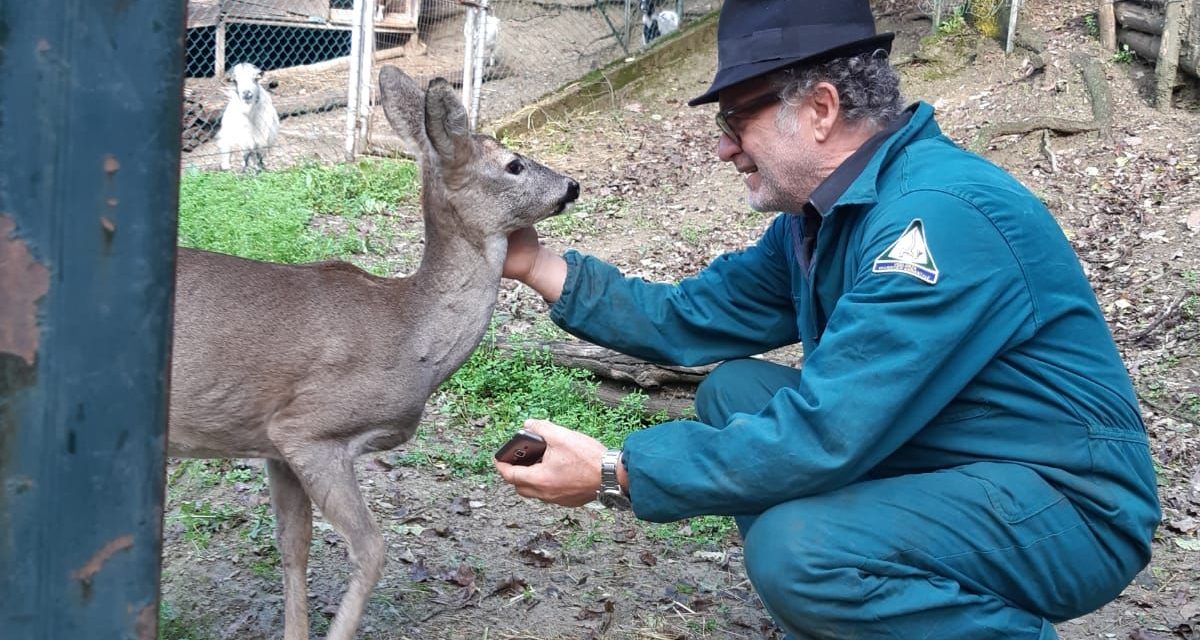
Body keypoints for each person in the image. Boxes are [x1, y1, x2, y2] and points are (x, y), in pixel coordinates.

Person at [494, 0, 1161, 637]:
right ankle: (843, 623)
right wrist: (534, 263)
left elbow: (823, 434)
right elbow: (687, 317)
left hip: (1070, 504)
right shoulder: (821, 219)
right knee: (736, 392)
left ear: (820, 108)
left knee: (800, 554)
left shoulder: (933, 219)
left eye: (735, 121)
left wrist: (616, 472)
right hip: (950, 455)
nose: (726, 149)